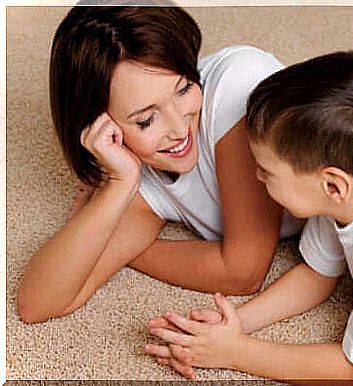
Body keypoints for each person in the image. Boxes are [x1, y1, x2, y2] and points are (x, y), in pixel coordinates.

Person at [145, 50, 353, 381]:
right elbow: (316, 275)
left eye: (265, 170)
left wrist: (235, 354)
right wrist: (237, 322)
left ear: (334, 185)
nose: (256, 178)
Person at [17, 6, 303, 324]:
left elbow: (242, 272)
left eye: (183, 88)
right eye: (146, 120)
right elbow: (37, 304)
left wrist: (127, 249)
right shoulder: (136, 169)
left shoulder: (237, 96)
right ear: (100, 124)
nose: (180, 130)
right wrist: (117, 186)